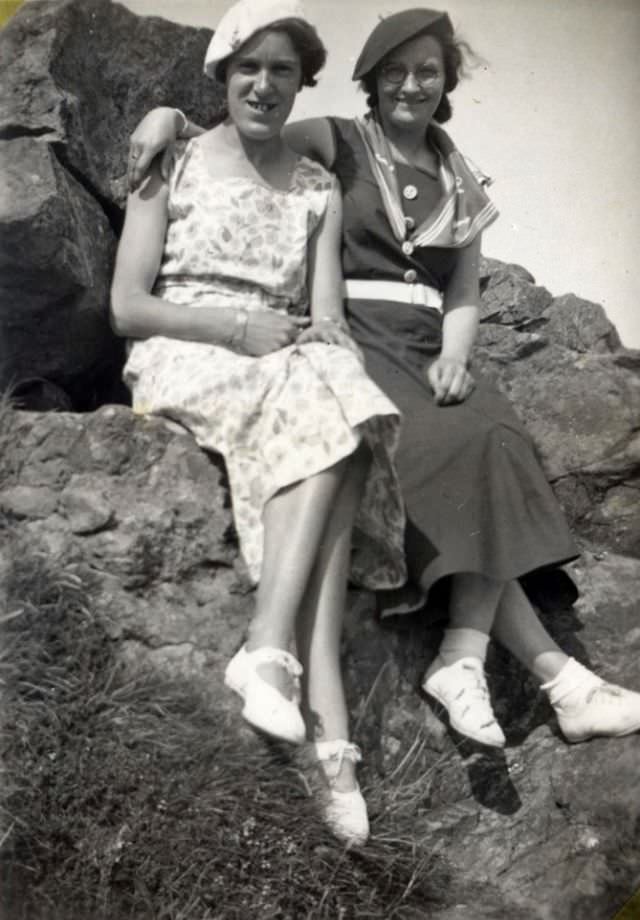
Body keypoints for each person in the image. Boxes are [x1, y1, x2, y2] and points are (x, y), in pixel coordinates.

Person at [127, 8, 640, 753]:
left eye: (427, 71)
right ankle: (552, 676)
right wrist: (166, 112)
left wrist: (458, 354)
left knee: (494, 432)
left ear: (446, 83)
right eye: (394, 71)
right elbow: (241, 136)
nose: (410, 85)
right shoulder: (335, 138)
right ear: (371, 81)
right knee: (432, 451)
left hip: (426, 338)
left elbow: (463, 288)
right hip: (353, 331)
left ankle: (477, 659)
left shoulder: (459, 178)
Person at [111, 0, 413, 847]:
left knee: (340, 407)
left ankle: (285, 675)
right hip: (190, 346)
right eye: (249, 66)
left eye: (284, 71)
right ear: (221, 73)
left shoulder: (316, 187)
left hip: (279, 357)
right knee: (327, 416)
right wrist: (235, 330)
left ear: (301, 83)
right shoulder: (169, 161)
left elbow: (325, 317)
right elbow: (127, 308)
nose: (264, 85)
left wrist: (318, 349)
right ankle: (300, 692)